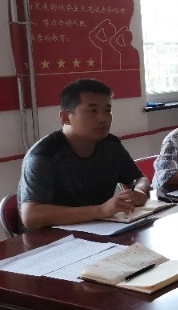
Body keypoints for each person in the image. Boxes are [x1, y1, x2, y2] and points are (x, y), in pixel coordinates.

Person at [18, 78, 151, 231]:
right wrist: (100, 210)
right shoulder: (44, 155)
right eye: (93, 111)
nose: (103, 118)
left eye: (107, 110)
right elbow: (31, 216)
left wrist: (139, 191)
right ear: (65, 118)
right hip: (52, 238)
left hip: (100, 229)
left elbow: (139, 178)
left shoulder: (111, 145)